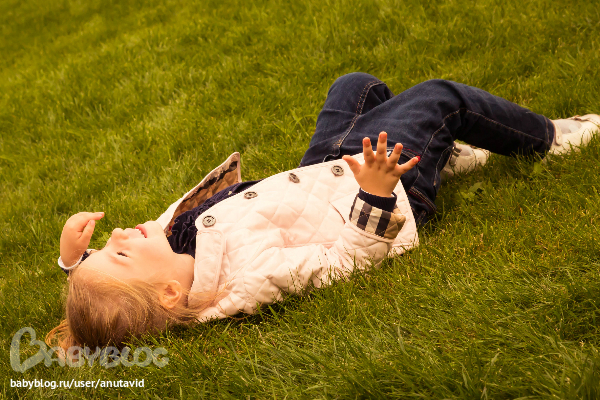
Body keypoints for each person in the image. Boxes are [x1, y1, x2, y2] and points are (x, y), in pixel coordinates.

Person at [47, 73, 600, 351]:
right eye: (118, 253)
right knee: (440, 98)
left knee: (355, 87)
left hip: (322, 172)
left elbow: (107, 299)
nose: (117, 235)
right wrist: (377, 194)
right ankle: (549, 139)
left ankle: (437, 159)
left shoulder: (174, 255)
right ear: (169, 294)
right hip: (374, 194)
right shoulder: (250, 278)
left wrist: (75, 262)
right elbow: (349, 260)